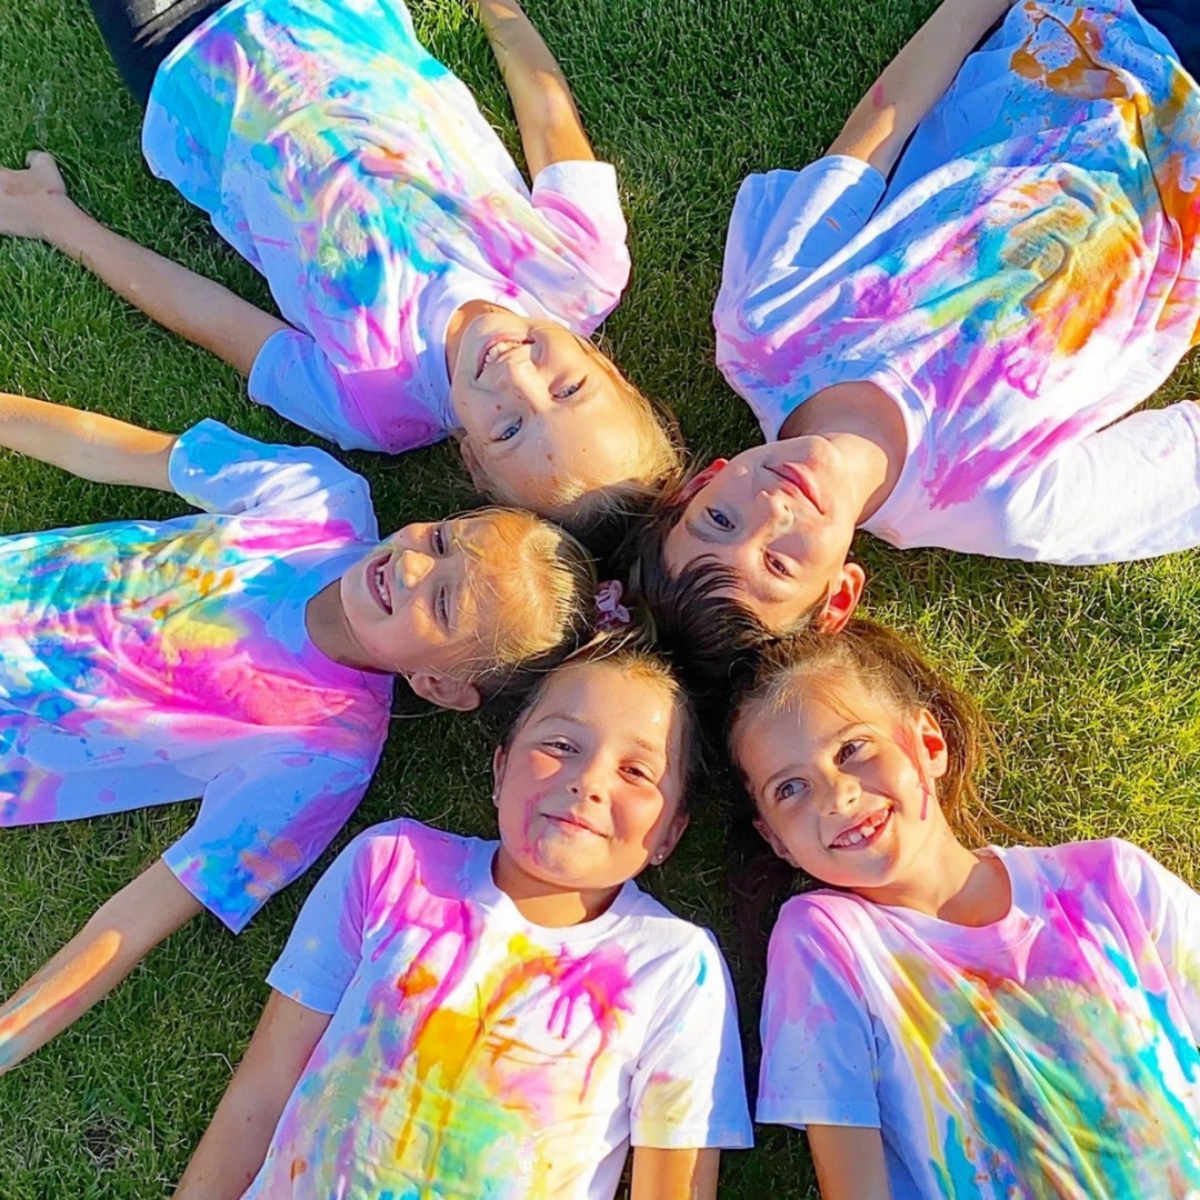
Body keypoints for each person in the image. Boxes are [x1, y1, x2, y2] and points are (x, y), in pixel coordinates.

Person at [0, 389, 597, 1075]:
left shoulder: (324, 755)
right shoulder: (315, 499)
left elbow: (136, 919)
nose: (410, 564)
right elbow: (114, 446)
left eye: (442, 602)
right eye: (440, 541)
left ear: (438, 686)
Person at [629, 0, 1200, 650]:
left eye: (721, 519)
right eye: (779, 564)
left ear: (705, 480)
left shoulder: (766, 328)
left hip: (1085, 37)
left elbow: (872, 139)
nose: (771, 511)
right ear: (838, 593)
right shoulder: (999, 502)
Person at [0, 0, 682, 532]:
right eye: (569, 391)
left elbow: (209, 314)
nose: (516, 380)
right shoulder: (581, 269)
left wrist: (60, 223)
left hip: (184, 57)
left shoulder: (373, 405)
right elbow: (545, 112)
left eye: (507, 429)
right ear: (611, 369)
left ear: (472, 459)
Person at [173, 643, 753, 1199]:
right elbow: (266, 1082)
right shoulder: (394, 863)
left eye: (636, 771)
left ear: (671, 833)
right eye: (560, 743)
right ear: (500, 769)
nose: (589, 781)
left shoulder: (676, 968)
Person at [728, 619, 1200, 1199]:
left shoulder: (1110, 881)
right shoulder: (827, 939)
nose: (837, 795)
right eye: (790, 789)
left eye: (852, 749)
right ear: (776, 840)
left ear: (928, 745)